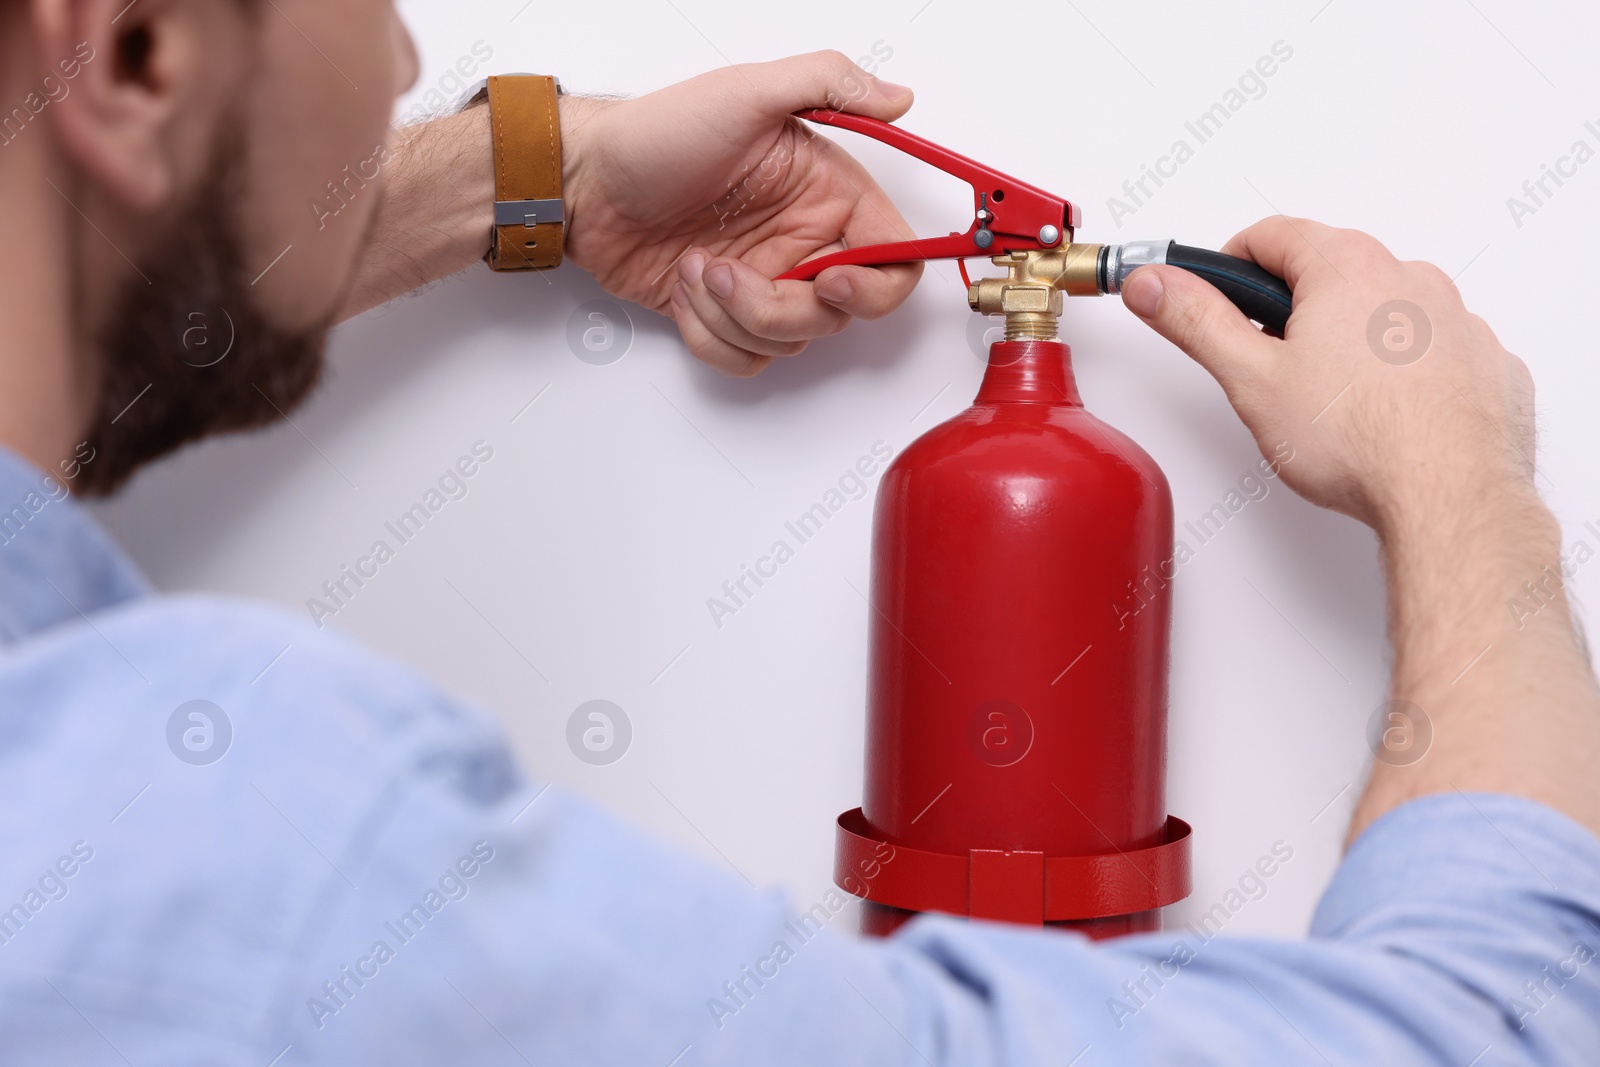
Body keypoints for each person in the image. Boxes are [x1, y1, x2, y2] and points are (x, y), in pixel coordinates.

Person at [0, 1, 1595, 1063]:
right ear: (133, 53)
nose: (410, 40)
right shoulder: (226, 849)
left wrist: (530, 176)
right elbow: (1476, 1030)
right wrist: (1463, 486)